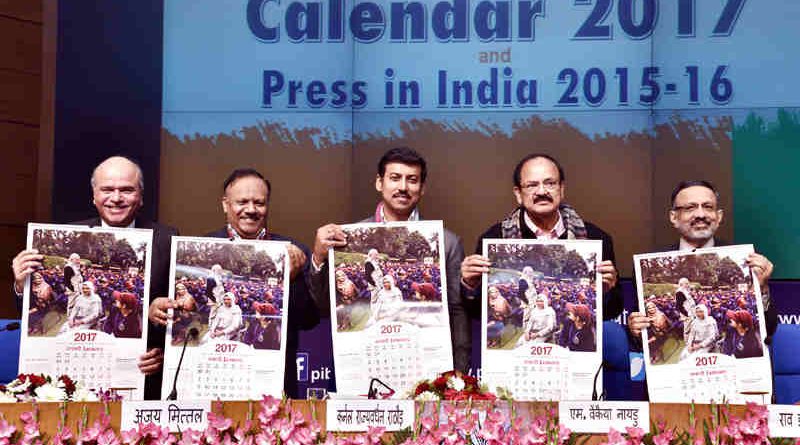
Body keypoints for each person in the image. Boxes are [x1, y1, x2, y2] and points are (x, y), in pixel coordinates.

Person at [11, 156, 175, 399]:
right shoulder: (73, 234)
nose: (116, 198)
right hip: (74, 375)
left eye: (127, 190)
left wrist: (162, 352)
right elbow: (27, 312)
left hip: (139, 378)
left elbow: (175, 316)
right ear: (94, 195)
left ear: (140, 196)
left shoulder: (166, 238)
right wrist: (20, 283)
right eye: (107, 189)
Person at [310, 147, 472, 372]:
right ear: (380, 183)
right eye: (395, 178)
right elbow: (323, 307)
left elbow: (456, 313)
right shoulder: (348, 238)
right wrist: (318, 257)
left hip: (424, 366)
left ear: (422, 188)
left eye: (412, 180)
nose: (403, 187)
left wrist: (458, 373)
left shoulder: (447, 242)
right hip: (367, 363)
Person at [197, 168, 319, 398]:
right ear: (225, 204)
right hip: (214, 371)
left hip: (273, 378)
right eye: (242, 202)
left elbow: (309, 321)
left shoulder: (294, 250)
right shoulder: (203, 248)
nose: (251, 210)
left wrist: (290, 280)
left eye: (259, 203)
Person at [461, 153, 623, 323]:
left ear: (561, 189)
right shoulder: (494, 238)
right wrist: (469, 285)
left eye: (550, 183)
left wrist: (607, 291)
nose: (541, 191)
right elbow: (477, 312)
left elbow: (612, 311)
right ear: (518, 193)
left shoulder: (596, 239)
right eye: (532, 185)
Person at [628, 180, 778, 339]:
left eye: (708, 207)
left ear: (718, 216)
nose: (700, 214)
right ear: (674, 217)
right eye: (690, 208)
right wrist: (635, 329)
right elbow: (637, 342)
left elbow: (768, 332)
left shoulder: (749, 260)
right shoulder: (642, 267)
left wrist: (762, 291)